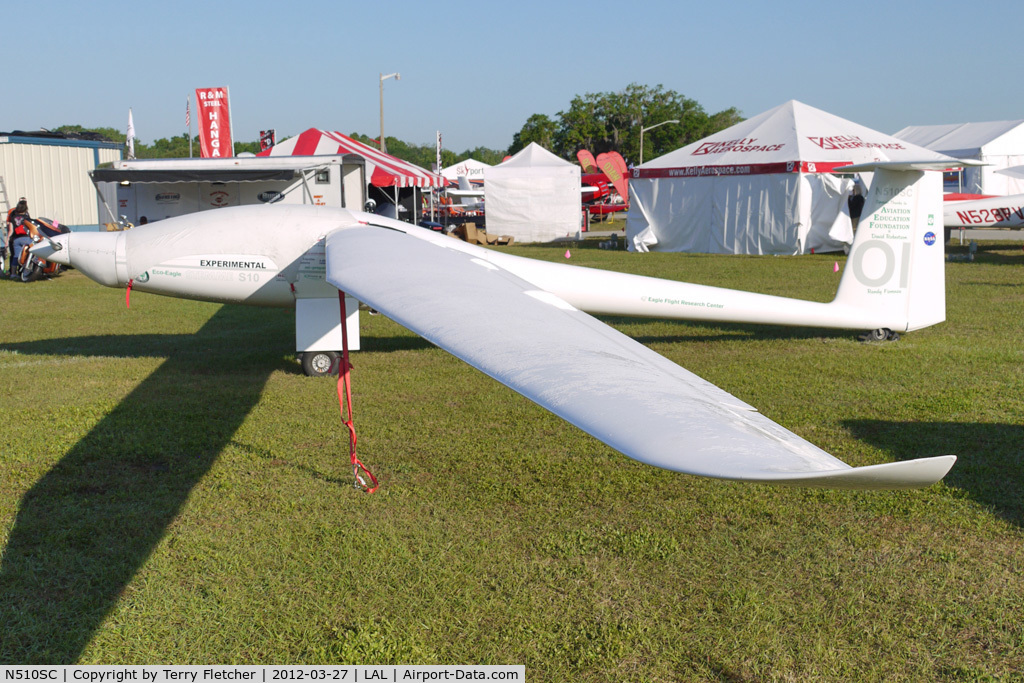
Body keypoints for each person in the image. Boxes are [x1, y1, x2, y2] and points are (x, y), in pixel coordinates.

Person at [7, 198, 33, 279]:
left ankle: (13, 273)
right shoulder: (26, 218)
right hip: (26, 238)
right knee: (29, 256)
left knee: (16, 256)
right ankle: (25, 271)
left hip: (16, 239)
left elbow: (10, 230)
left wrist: (7, 240)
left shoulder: (13, 216)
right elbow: (31, 228)